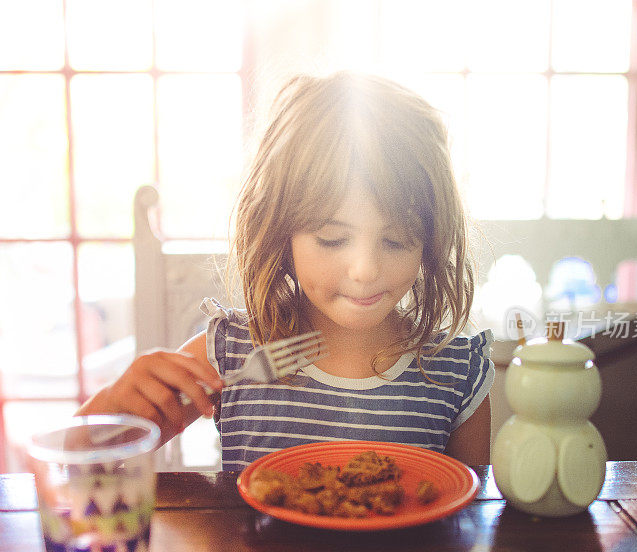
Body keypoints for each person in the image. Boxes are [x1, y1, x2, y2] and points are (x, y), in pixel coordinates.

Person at [78, 71, 495, 468]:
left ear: (430, 239)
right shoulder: (234, 354)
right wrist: (114, 408)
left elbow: (471, 525)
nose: (366, 270)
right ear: (280, 230)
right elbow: (72, 465)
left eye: (397, 240)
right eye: (332, 238)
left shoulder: (457, 376)